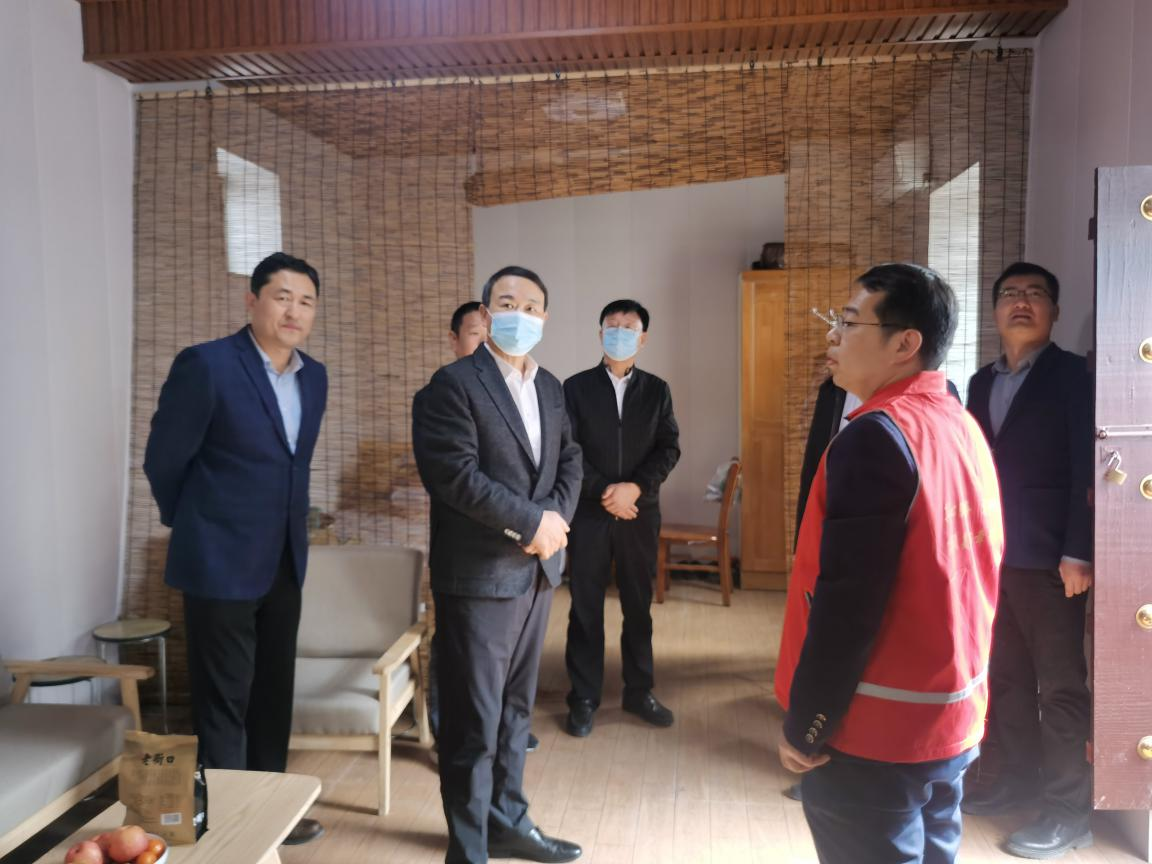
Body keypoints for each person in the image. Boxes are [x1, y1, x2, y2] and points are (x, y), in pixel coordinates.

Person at [775, 263, 1004, 863]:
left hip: (877, 730)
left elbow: (847, 606)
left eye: (850, 322)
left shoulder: (877, 437)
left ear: (905, 344)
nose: (833, 335)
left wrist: (808, 724)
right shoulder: (956, 422)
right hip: (950, 715)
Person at [143, 252, 328, 846]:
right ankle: (231, 828)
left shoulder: (314, 377)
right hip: (218, 560)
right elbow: (164, 460)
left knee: (273, 693)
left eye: (306, 301)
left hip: (284, 559)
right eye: (282, 297)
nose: (294, 311)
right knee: (224, 699)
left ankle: (270, 813)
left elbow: (292, 468)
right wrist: (195, 524)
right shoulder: (207, 365)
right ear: (252, 301)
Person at [413, 266, 583, 864]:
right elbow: (454, 476)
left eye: (532, 306)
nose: (520, 314)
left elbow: (571, 460)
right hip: (480, 579)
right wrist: (531, 523)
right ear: (486, 314)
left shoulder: (551, 387)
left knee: (515, 712)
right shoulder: (453, 384)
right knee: (473, 720)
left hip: (537, 572)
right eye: (507, 303)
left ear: (545, 318)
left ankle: (509, 822)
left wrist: (554, 522)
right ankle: (468, 848)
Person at [961, 262, 1094, 859]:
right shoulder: (979, 383)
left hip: (1052, 561)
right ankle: (1015, 778)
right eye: (1010, 293)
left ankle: (1069, 812)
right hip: (992, 557)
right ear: (995, 311)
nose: (1022, 301)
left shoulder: (1073, 376)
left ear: (1054, 312)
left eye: (1036, 293)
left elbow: (1086, 467)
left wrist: (1079, 549)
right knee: (1007, 676)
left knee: (1060, 685)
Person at [422, 300, 539, 754]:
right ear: (455, 341)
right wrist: (529, 522)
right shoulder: (445, 392)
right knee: (459, 659)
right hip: (471, 560)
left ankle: (502, 737)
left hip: (523, 558)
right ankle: (447, 732)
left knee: (504, 668)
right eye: (476, 333)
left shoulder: (530, 393)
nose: (488, 340)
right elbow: (460, 480)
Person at [562, 299, 681, 738]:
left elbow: (668, 448)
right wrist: (605, 491)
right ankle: (584, 697)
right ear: (600, 334)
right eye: (611, 325)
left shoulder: (657, 390)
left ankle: (639, 690)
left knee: (638, 604)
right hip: (589, 513)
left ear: (642, 339)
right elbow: (568, 449)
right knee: (585, 606)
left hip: (638, 512)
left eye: (628, 327)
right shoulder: (575, 388)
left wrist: (636, 488)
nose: (619, 332)